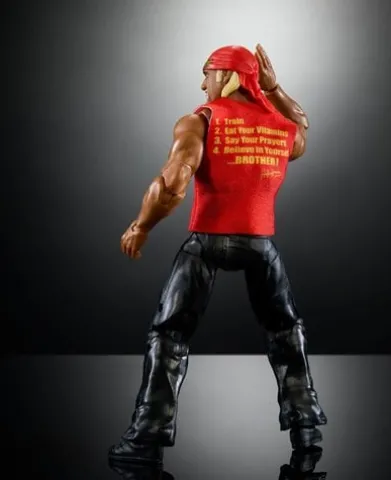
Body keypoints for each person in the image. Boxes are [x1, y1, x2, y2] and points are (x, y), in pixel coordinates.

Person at [109, 44, 327, 466]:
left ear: (227, 77)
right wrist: (274, 90)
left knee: (169, 336)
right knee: (286, 332)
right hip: (260, 244)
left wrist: (141, 225)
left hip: (206, 242)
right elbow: (302, 127)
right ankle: (306, 429)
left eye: (207, 73)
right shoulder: (278, 127)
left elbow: (173, 183)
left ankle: (145, 438)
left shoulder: (200, 121)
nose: (202, 84)